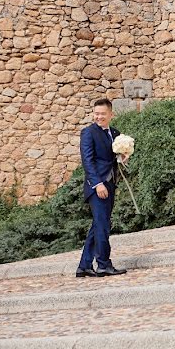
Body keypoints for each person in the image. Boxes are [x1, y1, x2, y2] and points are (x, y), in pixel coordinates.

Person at [76, 98, 127, 278]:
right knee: (103, 226)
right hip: (97, 186)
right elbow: (87, 162)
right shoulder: (88, 133)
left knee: (98, 224)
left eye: (102, 114)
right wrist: (97, 184)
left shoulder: (115, 133)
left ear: (111, 115)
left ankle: (84, 265)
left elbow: (113, 159)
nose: (99, 117)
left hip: (110, 184)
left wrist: (123, 158)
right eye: (96, 113)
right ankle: (104, 264)